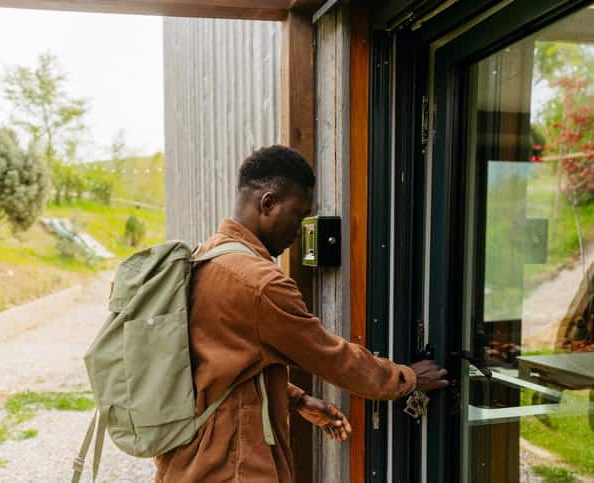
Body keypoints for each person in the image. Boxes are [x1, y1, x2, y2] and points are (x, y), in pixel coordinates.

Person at [154, 145, 448, 482]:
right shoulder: (260, 283)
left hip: (185, 461)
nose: (299, 231)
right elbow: (330, 357)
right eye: (298, 215)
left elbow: (216, 363)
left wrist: (296, 399)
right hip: (231, 469)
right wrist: (407, 379)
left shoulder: (204, 257)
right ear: (268, 203)